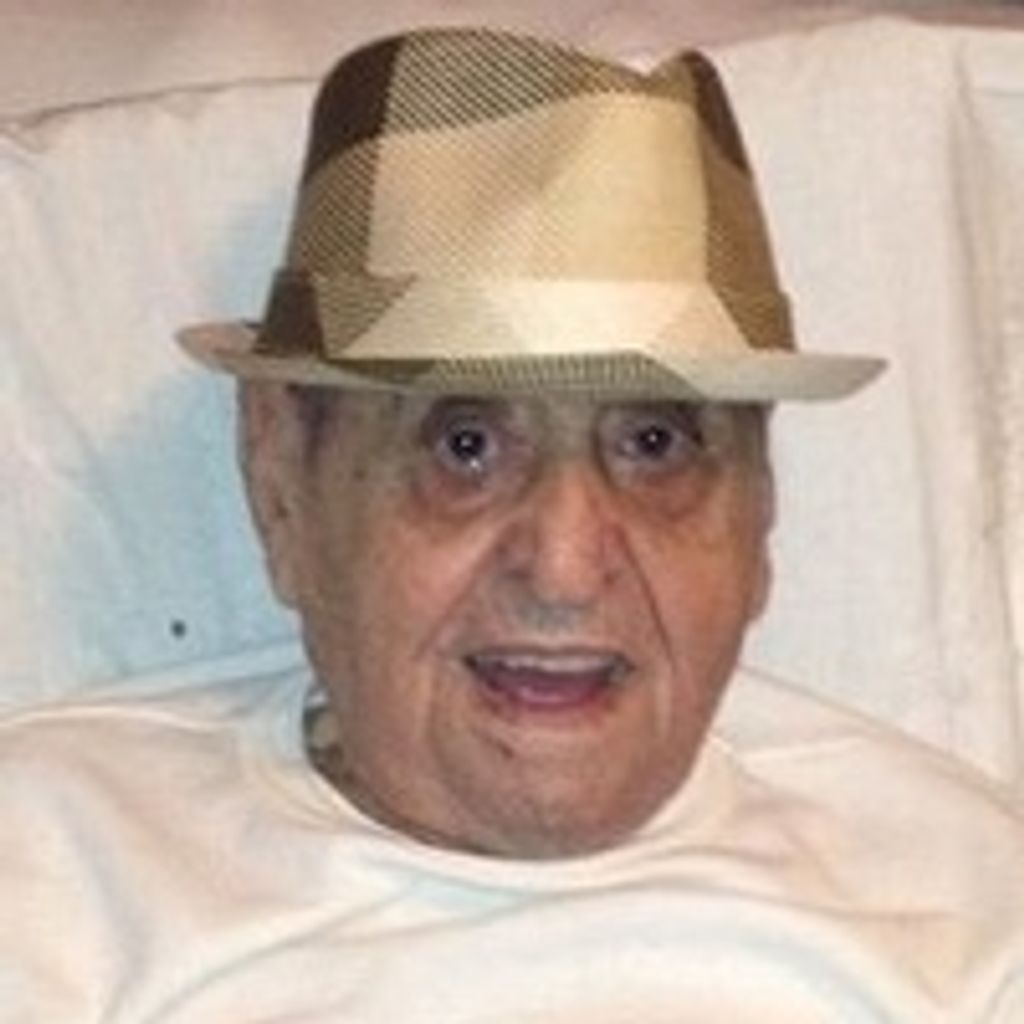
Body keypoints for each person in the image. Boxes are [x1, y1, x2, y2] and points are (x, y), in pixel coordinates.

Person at [2, 25, 1023, 1022]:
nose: (566, 569)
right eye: (465, 447)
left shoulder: (967, 910)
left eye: (655, 444)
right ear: (281, 487)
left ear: (761, 510)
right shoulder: (52, 883)